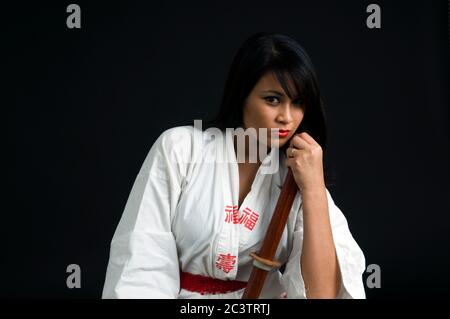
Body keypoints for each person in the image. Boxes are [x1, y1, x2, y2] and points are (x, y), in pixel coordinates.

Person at [102, 32, 366, 299]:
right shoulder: (181, 149)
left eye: (297, 103)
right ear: (243, 95)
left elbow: (322, 294)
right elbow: (141, 263)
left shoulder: (297, 174)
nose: (287, 117)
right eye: (272, 99)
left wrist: (313, 188)